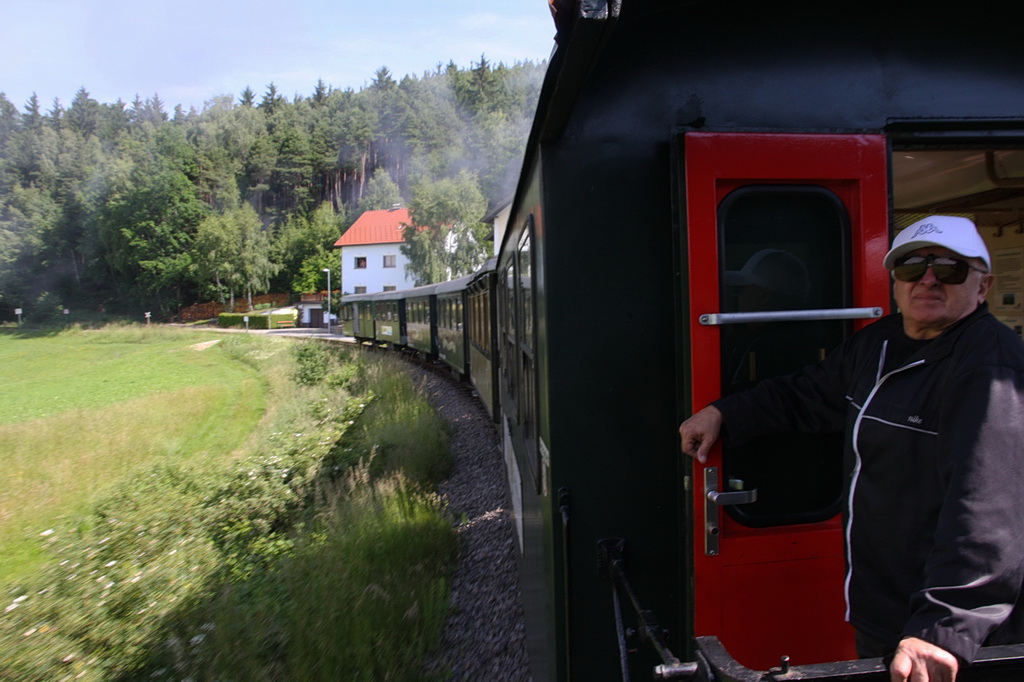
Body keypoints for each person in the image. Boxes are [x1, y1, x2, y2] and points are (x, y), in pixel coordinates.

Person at [679, 215, 1024, 682]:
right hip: (884, 605)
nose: (927, 279)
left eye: (949, 269)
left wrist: (943, 628)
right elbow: (806, 394)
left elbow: (987, 509)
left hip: (948, 632)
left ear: (983, 286)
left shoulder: (990, 367)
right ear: (895, 282)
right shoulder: (879, 345)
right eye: (910, 268)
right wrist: (723, 413)